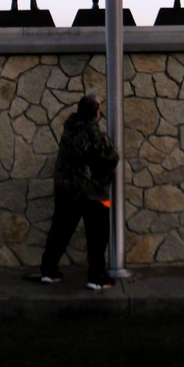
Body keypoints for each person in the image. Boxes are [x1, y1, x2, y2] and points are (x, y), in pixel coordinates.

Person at [40, 93, 119, 289]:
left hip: (67, 189)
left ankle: (48, 270)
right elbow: (109, 157)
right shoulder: (92, 132)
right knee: (97, 236)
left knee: (60, 231)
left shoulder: (69, 129)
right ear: (96, 112)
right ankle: (96, 277)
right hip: (91, 192)